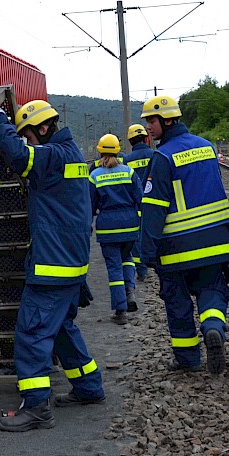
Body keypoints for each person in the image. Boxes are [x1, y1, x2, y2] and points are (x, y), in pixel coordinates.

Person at [0, 97, 104, 432]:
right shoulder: (74, 155)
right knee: (61, 329)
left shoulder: (53, 155)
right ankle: (90, 388)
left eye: (28, 134)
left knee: (31, 333)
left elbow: (18, 158)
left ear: (43, 127)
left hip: (52, 265)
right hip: (70, 262)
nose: (27, 141)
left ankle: (36, 408)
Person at [137, 96, 229, 376]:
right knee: (212, 290)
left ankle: (188, 359)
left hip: (177, 247)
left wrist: (146, 253)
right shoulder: (206, 147)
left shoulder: (162, 157)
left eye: (152, 122)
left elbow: (154, 209)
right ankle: (214, 328)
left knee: (177, 301)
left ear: (168, 121)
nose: (148, 128)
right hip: (216, 241)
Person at [88, 133, 143, 323]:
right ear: (118, 151)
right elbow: (140, 198)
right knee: (127, 258)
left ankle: (121, 310)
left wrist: (89, 225)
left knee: (114, 267)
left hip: (108, 227)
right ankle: (130, 291)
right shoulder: (128, 172)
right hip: (129, 224)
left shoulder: (94, 176)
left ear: (100, 152)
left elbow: (90, 205)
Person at [124, 123, 154, 280]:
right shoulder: (155, 155)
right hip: (155, 204)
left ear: (130, 141)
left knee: (137, 237)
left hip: (134, 206)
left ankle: (142, 269)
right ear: (146, 138)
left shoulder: (127, 160)